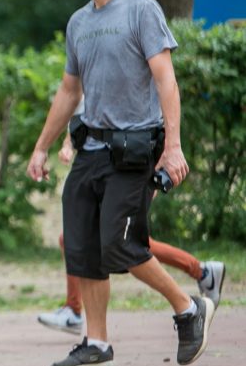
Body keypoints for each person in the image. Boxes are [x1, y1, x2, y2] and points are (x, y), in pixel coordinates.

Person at [25, 0, 217, 366]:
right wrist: (41, 147)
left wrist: (173, 147)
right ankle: (97, 343)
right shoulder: (79, 23)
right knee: (83, 246)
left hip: (134, 151)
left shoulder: (141, 9)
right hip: (90, 148)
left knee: (121, 245)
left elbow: (166, 80)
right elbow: (70, 90)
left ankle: (188, 308)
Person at [39, 132, 226, 335]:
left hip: (130, 164)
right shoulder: (86, 104)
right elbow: (78, 116)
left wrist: (166, 154)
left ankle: (196, 282)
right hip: (103, 169)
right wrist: (67, 145)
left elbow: (156, 112)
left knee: (125, 242)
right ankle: (75, 310)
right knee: (99, 239)